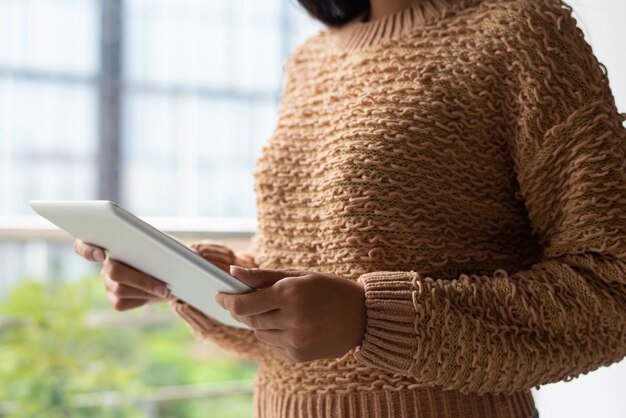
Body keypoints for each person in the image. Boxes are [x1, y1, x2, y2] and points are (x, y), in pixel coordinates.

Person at [74, 0, 626, 416]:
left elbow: (611, 287)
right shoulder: (312, 58)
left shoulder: (523, 33)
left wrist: (372, 317)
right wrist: (184, 275)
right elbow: (306, 298)